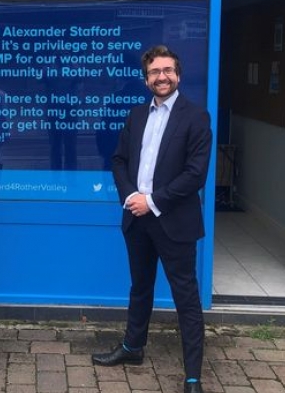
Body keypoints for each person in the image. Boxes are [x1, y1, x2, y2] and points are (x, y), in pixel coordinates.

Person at [91, 45, 212, 393]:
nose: (162, 77)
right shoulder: (136, 115)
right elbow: (118, 160)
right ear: (146, 79)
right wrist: (132, 197)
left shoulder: (196, 116)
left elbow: (195, 175)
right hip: (136, 219)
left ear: (178, 74)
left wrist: (153, 201)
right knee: (140, 287)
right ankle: (133, 347)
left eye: (167, 70)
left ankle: (192, 377)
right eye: (155, 72)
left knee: (185, 297)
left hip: (174, 221)